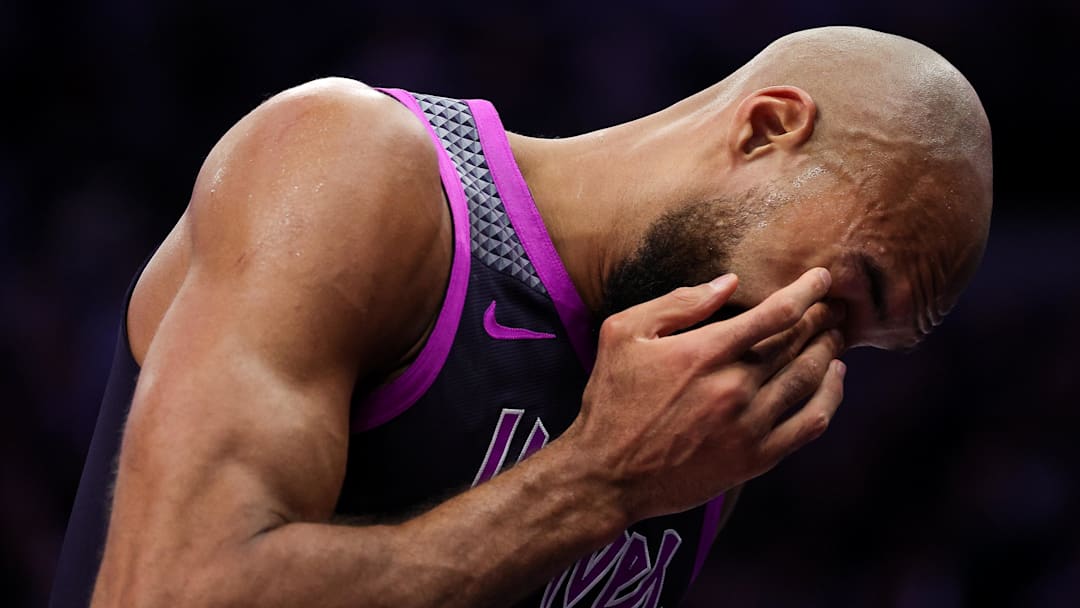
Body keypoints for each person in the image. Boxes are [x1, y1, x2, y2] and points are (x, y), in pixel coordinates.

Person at [51, 25, 992, 608]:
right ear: (766, 128)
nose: (816, 356)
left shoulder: (703, 409)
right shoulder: (360, 169)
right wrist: (599, 482)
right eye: (846, 292)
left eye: (862, 345)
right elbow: (171, 592)